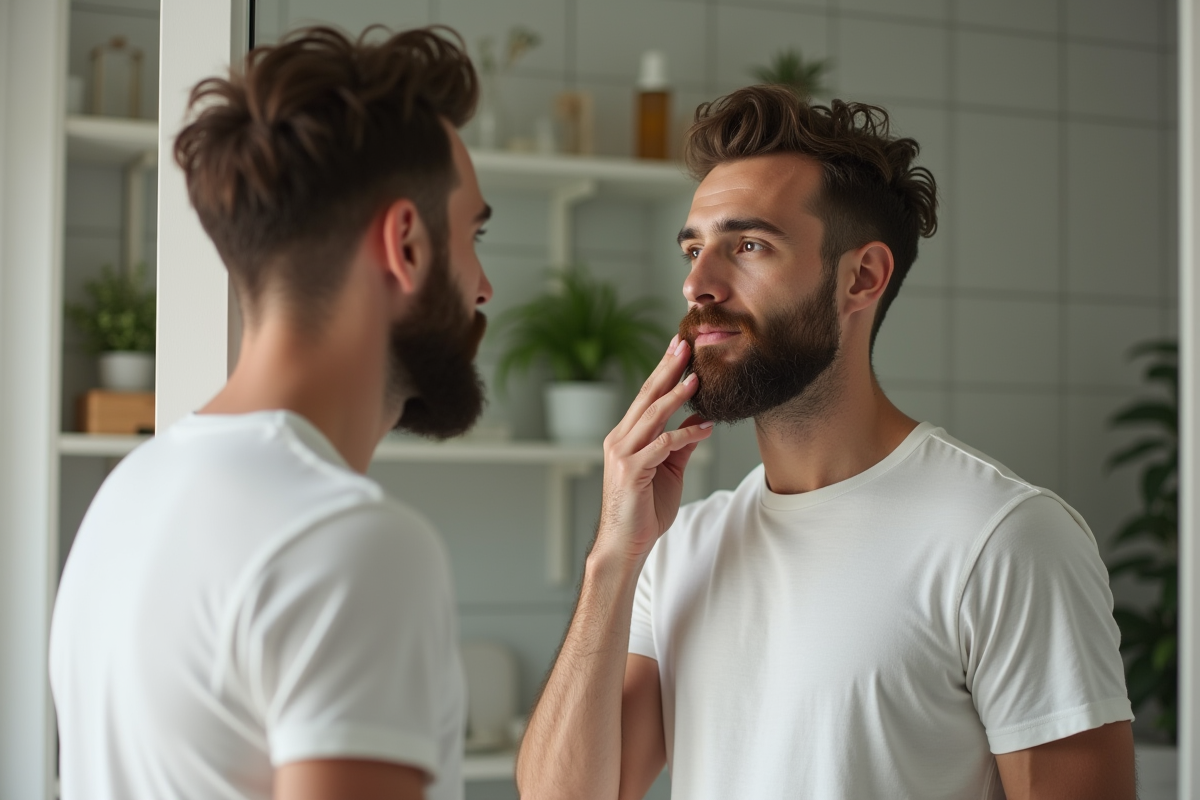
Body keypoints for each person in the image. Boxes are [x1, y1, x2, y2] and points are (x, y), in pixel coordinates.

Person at [517, 85, 1136, 800]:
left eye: (748, 246)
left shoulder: (1002, 538)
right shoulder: (682, 547)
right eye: (694, 248)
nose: (697, 284)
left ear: (861, 278)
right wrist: (612, 558)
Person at [49, 26, 492, 800]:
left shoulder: (129, 492)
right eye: (473, 236)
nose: (483, 286)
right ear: (406, 245)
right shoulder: (347, 542)